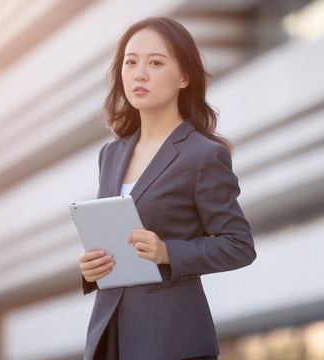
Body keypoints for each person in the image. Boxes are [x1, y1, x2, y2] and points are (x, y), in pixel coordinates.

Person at [78, 16, 256, 360]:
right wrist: (92, 269)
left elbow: (240, 245)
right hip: (110, 334)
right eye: (130, 63)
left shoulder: (203, 155)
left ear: (185, 77)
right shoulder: (111, 154)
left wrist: (167, 253)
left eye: (155, 63)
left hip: (172, 340)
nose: (139, 74)